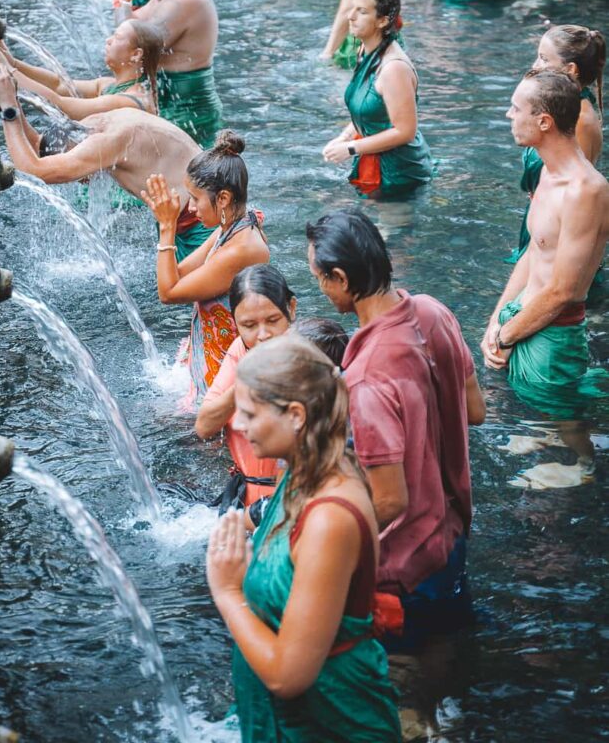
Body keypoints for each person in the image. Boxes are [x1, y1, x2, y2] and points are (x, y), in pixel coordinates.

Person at [206, 334, 401, 743]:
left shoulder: (330, 517)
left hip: (330, 720)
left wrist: (228, 592)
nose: (237, 425)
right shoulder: (300, 469)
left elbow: (288, 676)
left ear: (295, 415)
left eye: (248, 414)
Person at [307, 209, 485, 646]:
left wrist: (315, 534)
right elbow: (475, 411)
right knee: (448, 656)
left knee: (405, 683)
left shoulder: (365, 376)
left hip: (404, 569)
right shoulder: (433, 311)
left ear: (341, 278)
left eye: (318, 276)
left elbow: (388, 500)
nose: (319, 287)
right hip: (453, 533)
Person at [0, 59, 211, 260]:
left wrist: (8, 108)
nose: (81, 181)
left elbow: (35, 169)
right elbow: (38, 145)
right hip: (191, 207)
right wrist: (10, 98)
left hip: (200, 220)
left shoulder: (104, 143)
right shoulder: (90, 126)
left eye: (78, 175)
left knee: (200, 300)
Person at [482, 70, 609, 423]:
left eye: (515, 108)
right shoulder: (546, 172)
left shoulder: (586, 191)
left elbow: (563, 291)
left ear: (543, 121)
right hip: (522, 320)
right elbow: (533, 254)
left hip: (552, 338)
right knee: (529, 425)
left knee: (561, 428)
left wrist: (505, 338)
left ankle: (583, 468)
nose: (509, 115)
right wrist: (495, 322)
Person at [141, 131, 270, 406]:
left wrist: (167, 227)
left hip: (225, 383)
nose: (190, 207)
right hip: (208, 362)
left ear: (222, 199)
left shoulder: (242, 250)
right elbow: (180, 274)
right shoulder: (231, 227)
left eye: (195, 198)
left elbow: (168, 293)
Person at [195, 265, 298, 510]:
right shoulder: (241, 349)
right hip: (245, 498)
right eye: (249, 325)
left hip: (289, 502)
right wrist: (244, 382)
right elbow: (204, 426)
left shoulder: (310, 352)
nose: (262, 335)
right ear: (235, 322)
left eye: (273, 321)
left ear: (291, 309)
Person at [112, 0, 223, 148]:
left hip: (189, 111)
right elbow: (135, 24)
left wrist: (122, 1)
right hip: (170, 103)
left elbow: (130, 43)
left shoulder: (187, 0)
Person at [323, 0, 433, 197]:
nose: (350, 16)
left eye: (362, 11)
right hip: (374, 162)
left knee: (391, 230)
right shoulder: (365, 49)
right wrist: (344, 137)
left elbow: (405, 131)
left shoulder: (394, 68)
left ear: (382, 21)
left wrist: (351, 148)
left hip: (400, 174)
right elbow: (368, 110)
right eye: (353, 8)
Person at [509, 25, 604, 264]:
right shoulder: (559, 110)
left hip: (558, 234)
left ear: (570, 69)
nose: (535, 65)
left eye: (543, 58)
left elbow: (574, 193)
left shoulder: (580, 120)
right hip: (542, 217)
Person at [0, 22, 162, 119]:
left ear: (136, 55)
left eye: (117, 37)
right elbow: (58, 85)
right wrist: (13, 63)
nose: (108, 40)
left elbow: (61, 105)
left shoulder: (128, 101)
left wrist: (7, 69)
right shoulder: (108, 85)